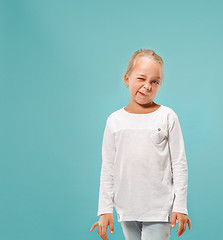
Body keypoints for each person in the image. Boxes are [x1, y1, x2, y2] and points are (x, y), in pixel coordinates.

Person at [90, 49, 192, 240]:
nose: (147, 86)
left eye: (155, 81)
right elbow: (108, 168)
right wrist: (104, 210)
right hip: (127, 209)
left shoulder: (167, 117)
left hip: (159, 209)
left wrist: (180, 207)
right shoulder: (115, 120)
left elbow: (179, 164)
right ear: (127, 79)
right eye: (141, 79)